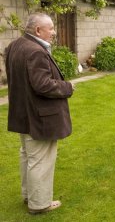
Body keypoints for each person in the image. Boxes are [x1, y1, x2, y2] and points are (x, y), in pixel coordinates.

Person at [4, 13, 74, 214]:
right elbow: (43, 85)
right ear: (37, 30)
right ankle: (39, 204)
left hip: (23, 113)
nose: (53, 32)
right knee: (40, 160)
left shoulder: (15, 45)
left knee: (28, 156)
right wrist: (67, 87)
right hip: (39, 116)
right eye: (51, 28)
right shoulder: (36, 51)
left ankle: (29, 196)